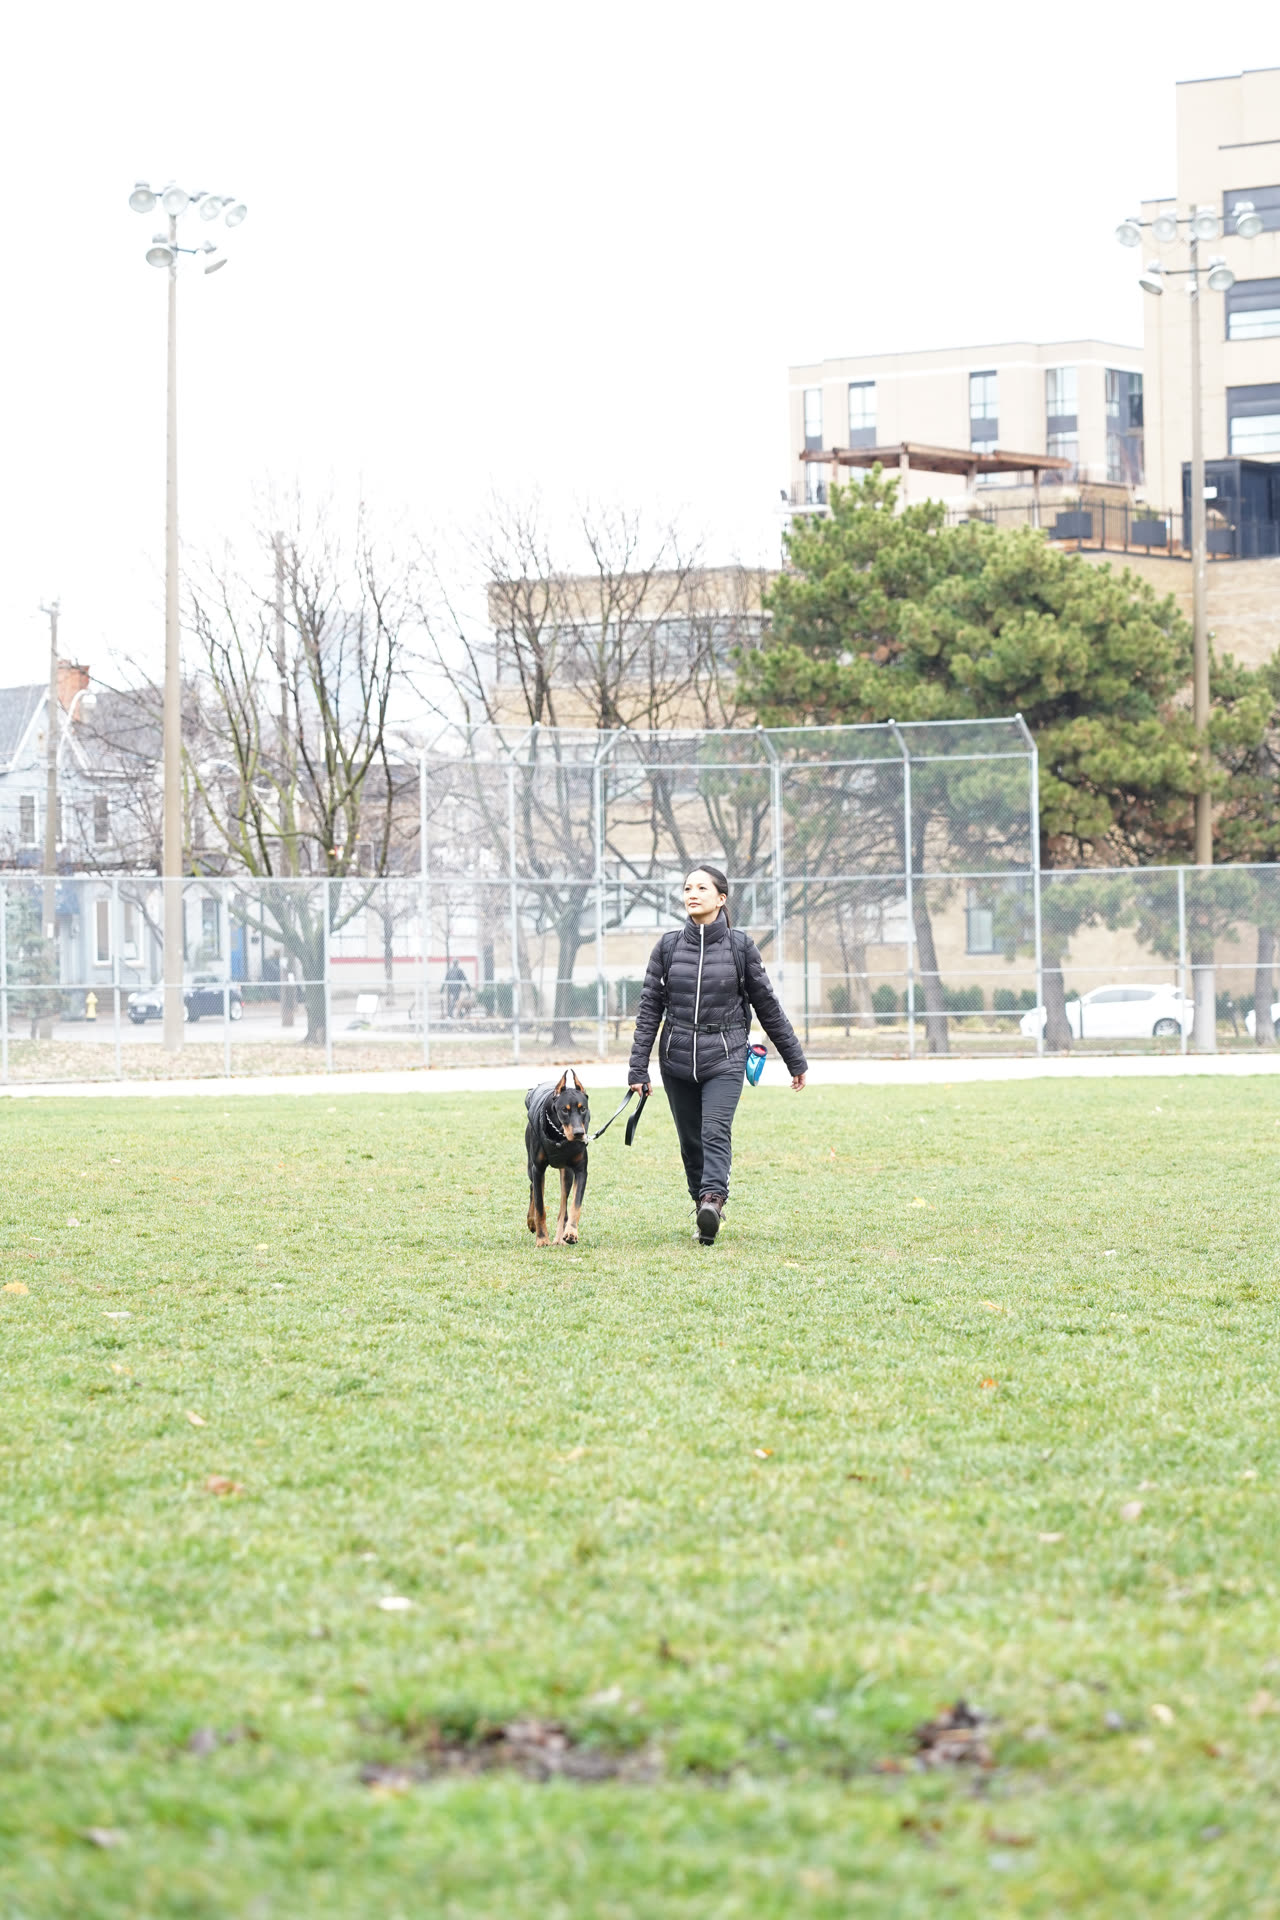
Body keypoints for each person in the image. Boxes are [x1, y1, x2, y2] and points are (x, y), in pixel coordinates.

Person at [627, 864, 807, 1245]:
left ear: (721, 898)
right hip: (675, 1060)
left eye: (702, 888)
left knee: (714, 1130)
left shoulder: (741, 946)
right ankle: (702, 1210)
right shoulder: (668, 946)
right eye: (688, 888)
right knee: (690, 1140)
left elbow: (767, 1006)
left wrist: (795, 1060)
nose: (692, 894)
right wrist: (637, 1069)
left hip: (725, 1057)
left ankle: (713, 1199)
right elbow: (648, 1011)